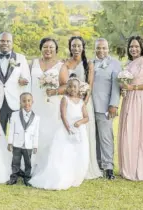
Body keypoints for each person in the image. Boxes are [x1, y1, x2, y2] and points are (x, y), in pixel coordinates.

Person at [29, 77, 89, 190]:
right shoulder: (65, 99)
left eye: (74, 87)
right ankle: (62, 176)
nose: (72, 89)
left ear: (78, 88)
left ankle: (74, 175)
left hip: (79, 130)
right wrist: (69, 129)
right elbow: (63, 115)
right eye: (70, 86)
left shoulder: (81, 102)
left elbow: (86, 117)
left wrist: (79, 122)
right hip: (66, 129)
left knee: (78, 153)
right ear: (67, 88)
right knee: (64, 153)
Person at [58, 36, 102, 179]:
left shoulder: (88, 64)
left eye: (78, 46)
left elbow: (89, 86)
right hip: (70, 103)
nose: (76, 48)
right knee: (69, 133)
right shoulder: (65, 64)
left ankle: (86, 166)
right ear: (70, 47)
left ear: (83, 47)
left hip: (84, 103)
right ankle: (70, 166)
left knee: (85, 134)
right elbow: (63, 85)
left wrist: (83, 103)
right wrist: (73, 100)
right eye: (73, 46)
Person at [118, 35, 143, 181]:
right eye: (131, 47)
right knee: (127, 131)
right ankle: (127, 166)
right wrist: (124, 88)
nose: (133, 49)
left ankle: (139, 167)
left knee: (137, 131)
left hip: (139, 99)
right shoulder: (128, 63)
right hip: (128, 99)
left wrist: (133, 87)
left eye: (136, 46)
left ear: (141, 48)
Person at [0, 32, 31, 134]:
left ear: (12, 43)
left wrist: (24, 80)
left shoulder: (21, 58)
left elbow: (27, 78)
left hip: (16, 102)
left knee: (18, 133)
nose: (5, 43)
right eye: (2, 41)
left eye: (8, 41)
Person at [29, 38, 63, 175]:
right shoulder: (33, 63)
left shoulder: (61, 65)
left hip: (51, 105)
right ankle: (31, 166)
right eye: (45, 47)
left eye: (51, 47)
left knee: (49, 134)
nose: (48, 50)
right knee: (34, 134)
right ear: (41, 48)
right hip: (35, 104)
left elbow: (66, 85)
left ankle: (48, 166)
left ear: (55, 50)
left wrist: (55, 91)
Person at [91, 38, 121, 179]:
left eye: (104, 48)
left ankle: (108, 166)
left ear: (108, 49)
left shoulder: (114, 64)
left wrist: (113, 104)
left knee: (106, 137)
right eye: (98, 48)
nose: (101, 51)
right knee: (94, 137)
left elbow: (116, 86)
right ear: (95, 48)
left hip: (105, 106)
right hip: (90, 106)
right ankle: (97, 164)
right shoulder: (90, 63)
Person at [7, 93, 40, 186]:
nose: (26, 103)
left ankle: (27, 178)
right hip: (17, 143)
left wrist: (35, 145)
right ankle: (14, 178)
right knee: (15, 162)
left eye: (29, 100)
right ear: (20, 102)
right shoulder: (14, 114)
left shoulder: (37, 118)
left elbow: (36, 133)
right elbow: (11, 129)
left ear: (32, 102)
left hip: (28, 144)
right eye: (24, 101)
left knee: (28, 163)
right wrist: (10, 142)